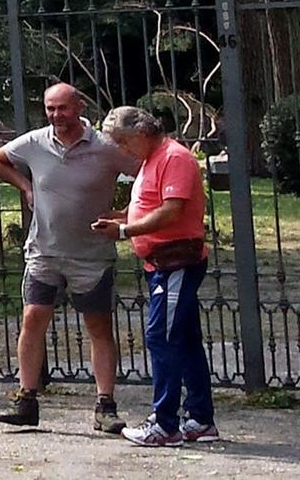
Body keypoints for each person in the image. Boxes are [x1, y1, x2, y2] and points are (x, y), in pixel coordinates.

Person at [0, 83, 140, 430]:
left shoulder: (105, 146)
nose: (57, 116)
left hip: (92, 256)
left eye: (63, 108)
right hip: (44, 251)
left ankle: (105, 406)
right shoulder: (35, 142)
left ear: (79, 107)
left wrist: (128, 212)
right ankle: (26, 399)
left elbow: (145, 171)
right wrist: (25, 187)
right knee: (33, 319)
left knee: (98, 328)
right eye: (51, 109)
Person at [92, 105, 217, 446]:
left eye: (122, 142)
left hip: (175, 263)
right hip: (162, 263)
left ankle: (164, 424)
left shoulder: (173, 158)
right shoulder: (154, 159)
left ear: (141, 134)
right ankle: (200, 419)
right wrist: (121, 216)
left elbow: (171, 210)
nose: (121, 150)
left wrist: (124, 231)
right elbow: (152, 204)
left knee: (161, 338)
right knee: (186, 340)